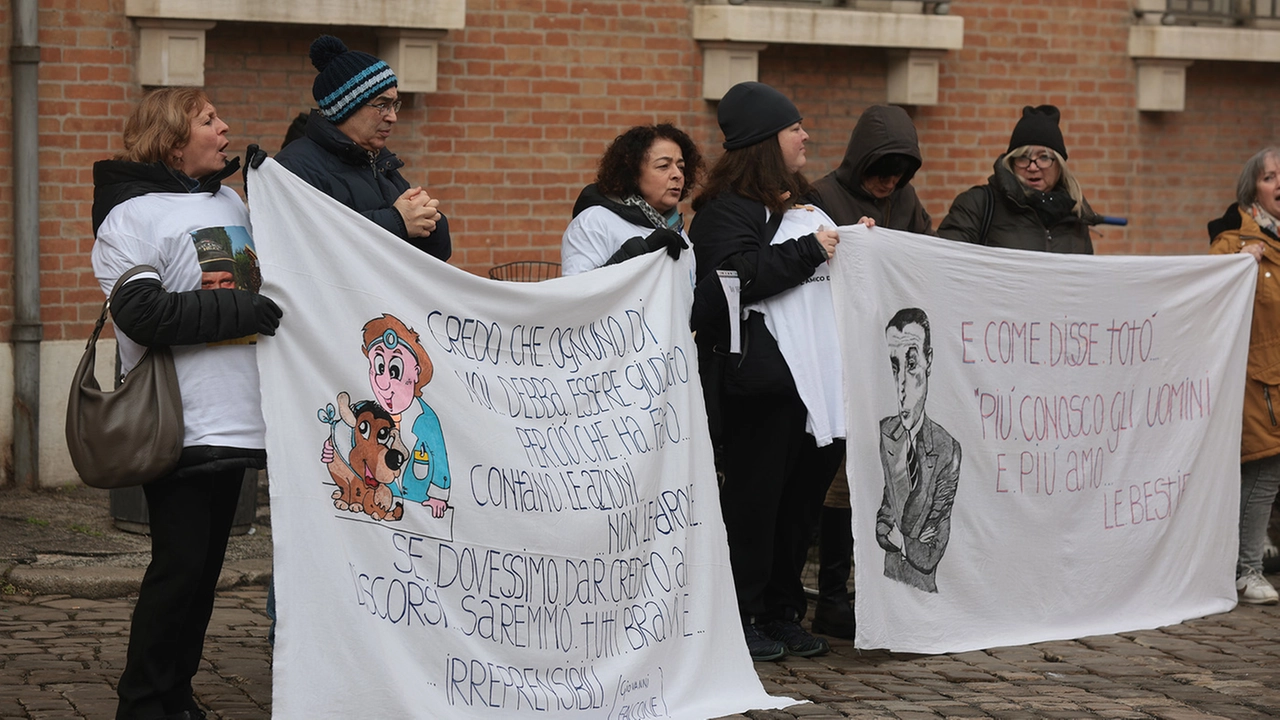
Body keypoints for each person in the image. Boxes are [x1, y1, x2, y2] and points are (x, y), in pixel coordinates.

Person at [91, 87, 282, 720]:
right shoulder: (130, 217)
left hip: (240, 421)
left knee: (203, 580)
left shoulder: (228, 199)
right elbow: (142, 312)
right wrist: (243, 308)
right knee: (177, 575)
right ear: (174, 140)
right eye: (208, 120)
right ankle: (143, 704)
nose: (224, 126)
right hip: (178, 424)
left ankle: (174, 694)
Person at [689, 81, 846, 661]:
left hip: (816, 386)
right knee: (756, 504)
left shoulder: (797, 206)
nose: (806, 136)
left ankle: (783, 611)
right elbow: (733, 280)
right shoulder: (723, 212)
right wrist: (811, 251)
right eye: (793, 127)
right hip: (760, 384)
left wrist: (856, 243)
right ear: (763, 141)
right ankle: (743, 612)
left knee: (799, 506)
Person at [807, 103, 932, 640]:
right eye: (881, 170)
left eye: (900, 173)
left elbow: (927, 256)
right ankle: (832, 596)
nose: (889, 182)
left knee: (894, 477)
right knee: (841, 484)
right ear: (861, 162)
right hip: (840, 358)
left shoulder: (906, 200)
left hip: (893, 362)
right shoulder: (822, 199)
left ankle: (881, 590)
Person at [276, 35, 450, 260]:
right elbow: (311, 246)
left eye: (394, 104)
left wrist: (430, 221)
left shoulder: (379, 162)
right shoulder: (294, 167)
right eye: (382, 105)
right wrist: (397, 221)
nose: (393, 117)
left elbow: (437, 254)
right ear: (346, 108)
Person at [1207, 147, 1280, 605]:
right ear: (1252, 188)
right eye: (1272, 176)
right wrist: (1239, 260)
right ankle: (1244, 569)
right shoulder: (1235, 241)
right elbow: (1210, 284)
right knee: (1262, 474)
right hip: (1259, 382)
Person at [875, 308, 960, 594]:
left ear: (928, 361)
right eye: (894, 368)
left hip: (925, 593)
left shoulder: (946, 449)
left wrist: (898, 538)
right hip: (886, 584)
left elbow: (931, 551)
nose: (902, 388)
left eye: (911, 366)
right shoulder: (884, 433)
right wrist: (893, 530)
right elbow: (883, 518)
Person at [936, 105, 1099, 252]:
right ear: (1011, 162)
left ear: (1059, 165)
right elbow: (946, 262)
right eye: (1023, 157)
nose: (1033, 167)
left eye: (1044, 157)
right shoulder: (978, 204)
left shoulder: (1075, 215)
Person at [561, 123, 700, 275]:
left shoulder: (678, 233)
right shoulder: (594, 223)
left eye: (681, 167)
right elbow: (578, 292)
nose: (677, 175)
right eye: (663, 166)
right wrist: (638, 253)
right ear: (633, 173)